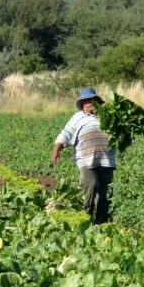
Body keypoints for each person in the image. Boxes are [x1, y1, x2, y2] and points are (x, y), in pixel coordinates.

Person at [50, 87, 116, 224]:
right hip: (85, 160)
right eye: (85, 101)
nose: (88, 103)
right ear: (81, 105)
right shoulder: (78, 117)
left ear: (98, 102)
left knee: (106, 192)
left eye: (91, 100)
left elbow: (122, 132)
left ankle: (101, 221)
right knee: (91, 185)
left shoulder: (108, 116)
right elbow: (65, 134)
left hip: (106, 160)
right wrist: (56, 149)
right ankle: (87, 215)